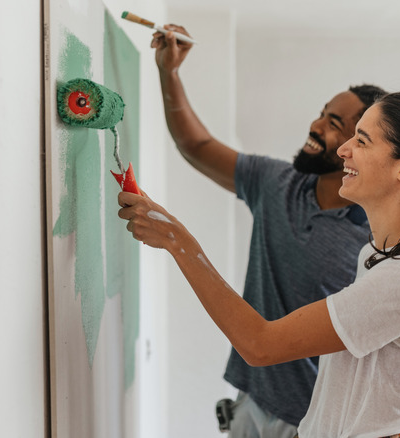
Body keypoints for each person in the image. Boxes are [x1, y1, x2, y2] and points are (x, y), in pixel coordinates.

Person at [117, 91, 400, 437]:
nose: (344, 150)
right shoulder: (379, 254)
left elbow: (260, 345)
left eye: (361, 140)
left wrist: (179, 242)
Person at [150, 25, 386, 437]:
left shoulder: (378, 239)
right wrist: (168, 73)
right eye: (322, 112)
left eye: (334, 123)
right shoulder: (277, 183)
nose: (315, 125)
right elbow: (196, 145)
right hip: (250, 405)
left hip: (318, 423)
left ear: (361, 146)